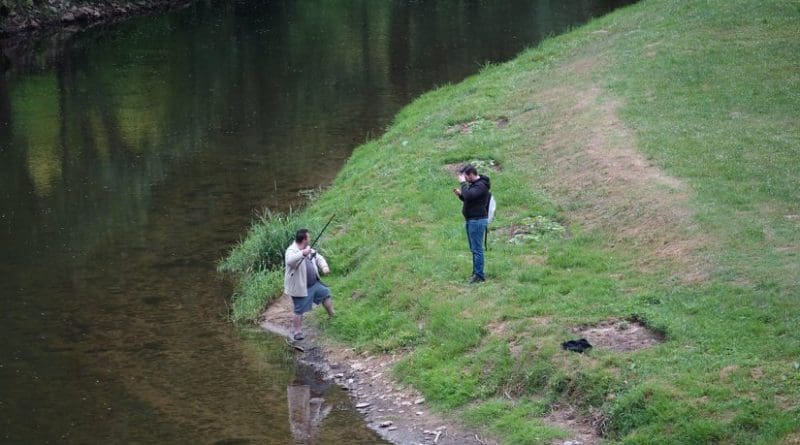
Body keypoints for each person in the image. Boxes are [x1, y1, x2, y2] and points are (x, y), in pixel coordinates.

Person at [284, 229, 334, 341]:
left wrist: (324, 266)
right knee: (299, 310)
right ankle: (297, 332)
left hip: (314, 284)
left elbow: (318, 257)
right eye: (308, 237)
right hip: (300, 288)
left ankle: (332, 316)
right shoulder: (291, 251)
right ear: (304, 239)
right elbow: (290, 261)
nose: (310, 239)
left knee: (325, 294)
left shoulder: (308, 249)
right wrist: (302, 253)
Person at [453, 164, 491, 283]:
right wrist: (461, 195)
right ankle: (476, 273)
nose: (464, 180)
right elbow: (470, 199)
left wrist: (463, 184)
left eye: (465, 177)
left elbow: (469, 195)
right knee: (474, 248)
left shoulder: (481, 185)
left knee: (477, 249)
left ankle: (479, 275)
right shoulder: (475, 185)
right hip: (472, 220)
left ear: (470, 175)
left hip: (477, 221)